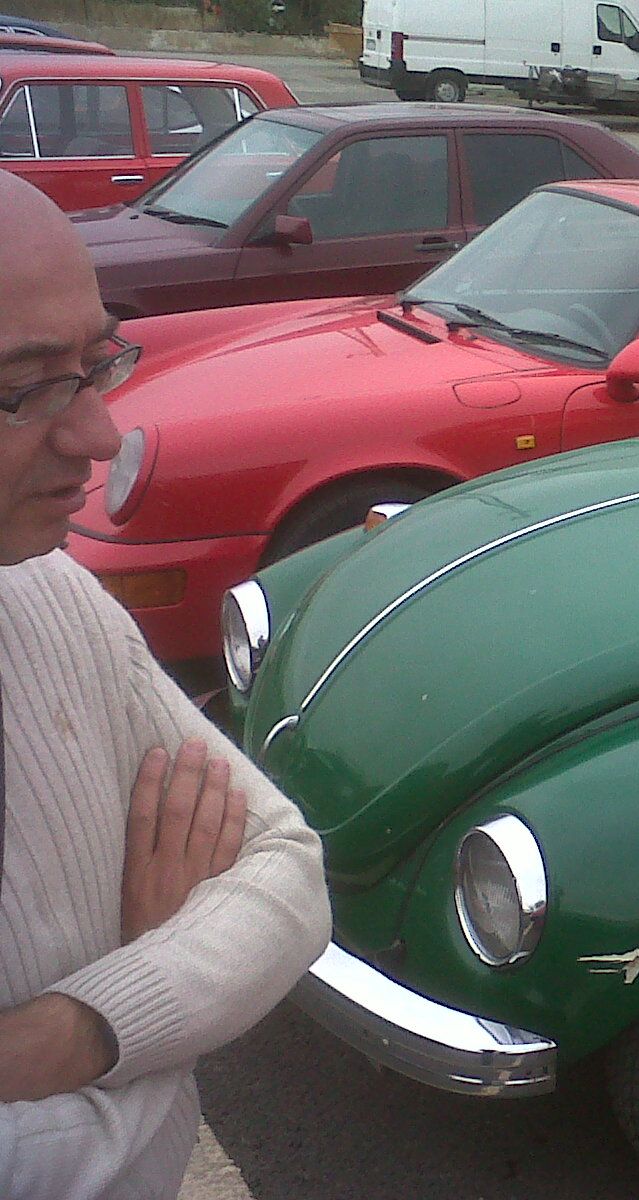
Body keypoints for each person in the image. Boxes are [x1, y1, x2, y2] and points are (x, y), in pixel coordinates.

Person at [0, 173, 331, 1197]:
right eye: (27, 384)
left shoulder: (51, 596)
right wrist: (170, 1022)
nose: (101, 436)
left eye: (96, 363)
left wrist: (87, 1022)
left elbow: (287, 868)